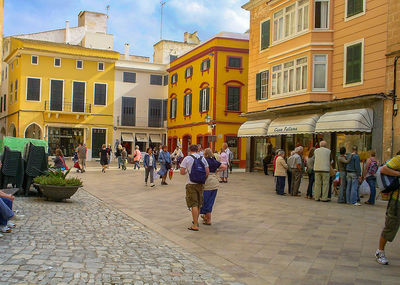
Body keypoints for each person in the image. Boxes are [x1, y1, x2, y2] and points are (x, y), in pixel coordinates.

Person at [375, 154, 400, 265]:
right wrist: (398, 174)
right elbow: (384, 169)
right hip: (397, 201)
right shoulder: (399, 159)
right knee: (390, 227)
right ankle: (380, 251)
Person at [180, 144, 209, 231]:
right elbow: (207, 171)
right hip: (200, 183)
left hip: (191, 183)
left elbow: (182, 172)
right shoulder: (202, 158)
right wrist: (203, 179)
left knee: (194, 204)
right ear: (197, 150)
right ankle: (196, 221)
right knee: (199, 203)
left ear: (190, 150)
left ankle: (195, 224)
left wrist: (187, 171)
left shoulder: (187, 158)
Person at [200, 148, 226, 225]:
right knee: (210, 201)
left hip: (207, 182)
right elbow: (224, 167)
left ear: (205, 154)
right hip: (215, 182)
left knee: (205, 201)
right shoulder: (214, 161)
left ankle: (208, 219)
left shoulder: (204, 161)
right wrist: (217, 171)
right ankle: (207, 218)